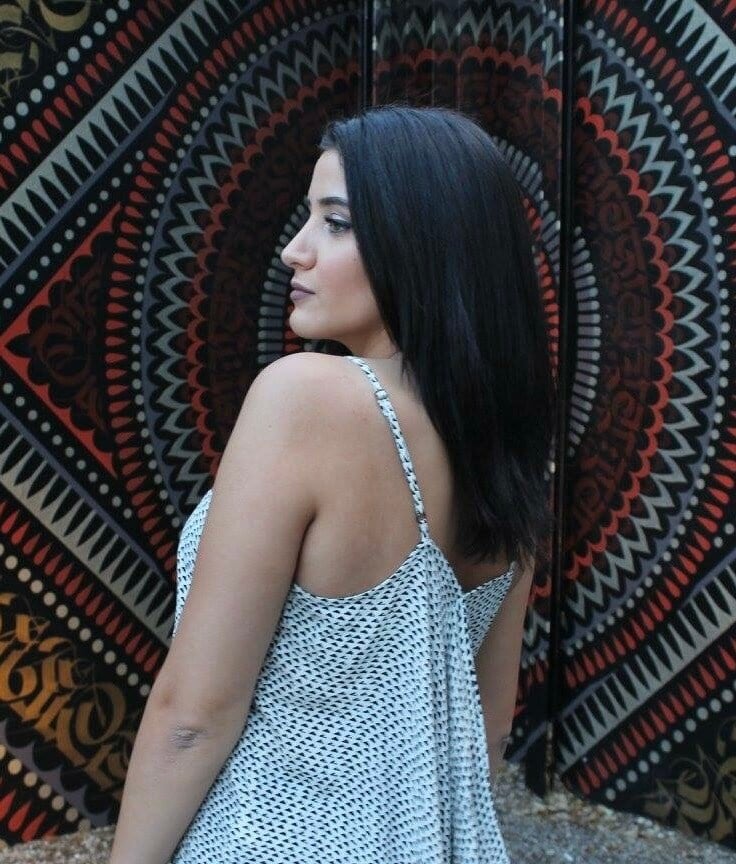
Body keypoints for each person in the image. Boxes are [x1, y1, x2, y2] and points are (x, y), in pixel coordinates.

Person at [108, 104, 555, 864]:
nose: (294, 250)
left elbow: (194, 717)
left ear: (426, 243)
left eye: (336, 223)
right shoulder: (505, 442)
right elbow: (488, 726)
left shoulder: (308, 398)